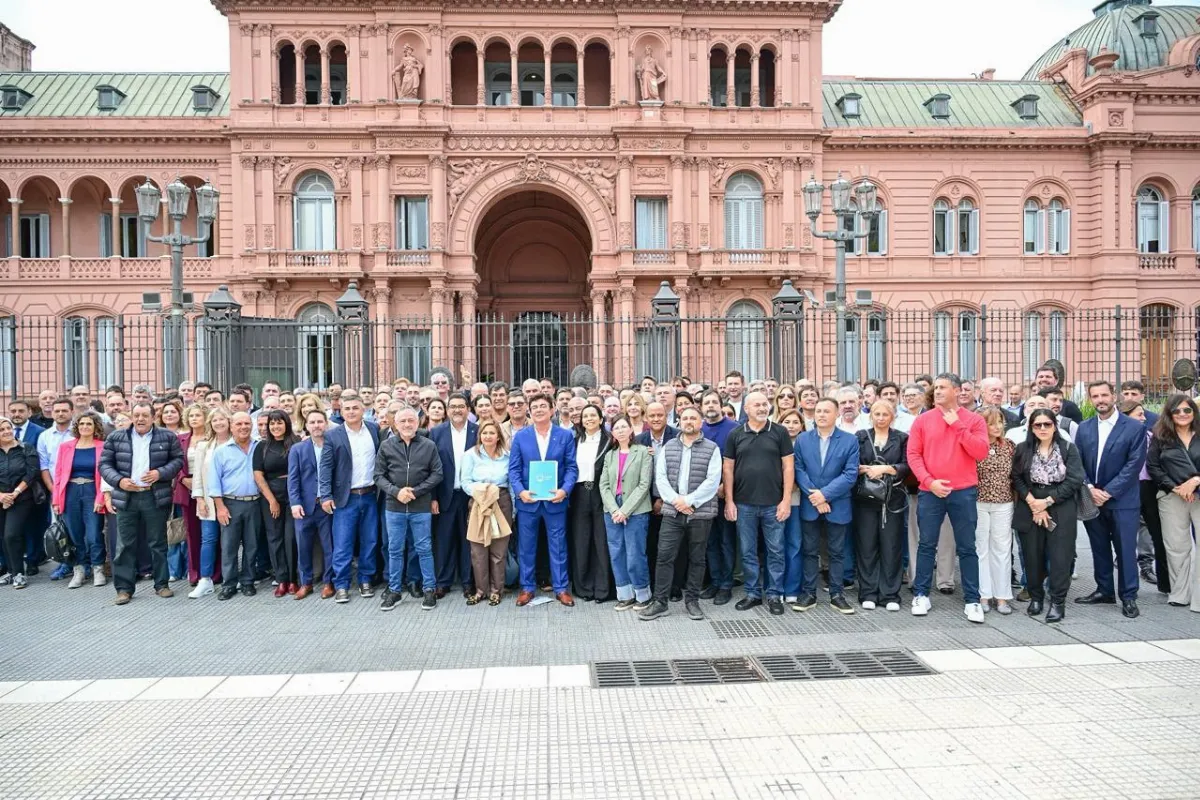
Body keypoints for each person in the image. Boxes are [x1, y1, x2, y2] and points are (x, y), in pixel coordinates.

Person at [906, 373, 989, 623]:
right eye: (936, 387)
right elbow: (913, 455)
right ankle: (921, 594)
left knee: (966, 547)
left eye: (943, 387)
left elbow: (981, 451)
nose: (938, 391)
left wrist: (957, 425)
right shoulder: (923, 421)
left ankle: (973, 600)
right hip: (931, 491)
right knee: (926, 545)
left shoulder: (973, 420)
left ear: (956, 390)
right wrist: (930, 482)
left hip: (963, 491)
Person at [100, 402, 185, 605]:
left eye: (145, 415)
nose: (140, 419)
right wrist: (119, 481)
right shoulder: (116, 437)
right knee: (124, 544)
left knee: (158, 542)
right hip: (126, 496)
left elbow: (178, 460)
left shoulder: (167, 436)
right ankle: (124, 589)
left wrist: (160, 473)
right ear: (131, 416)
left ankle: (162, 584)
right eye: (136, 415)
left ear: (153, 417)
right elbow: (104, 464)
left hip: (154, 496)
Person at [1074, 381, 1146, 619]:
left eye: (1104, 395)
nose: (1100, 400)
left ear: (1113, 396)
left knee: (1125, 549)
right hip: (1092, 498)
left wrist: (1109, 491)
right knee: (1099, 547)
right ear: (1090, 399)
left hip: (1123, 499)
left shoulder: (1133, 428)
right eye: (1095, 396)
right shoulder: (1084, 428)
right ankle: (1104, 590)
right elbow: (1078, 462)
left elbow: (1134, 465)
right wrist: (1090, 488)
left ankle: (1128, 596)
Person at [642, 406, 721, 621]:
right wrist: (676, 501)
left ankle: (692, 601)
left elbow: (712, 481)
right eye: (684, 418)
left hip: (700, 512)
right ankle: (660, 602)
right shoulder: (669, 446)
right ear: (679, 421)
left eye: (693, 418)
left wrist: (688, 501)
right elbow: (661, 478)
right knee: (664, 556)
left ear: (701, 421)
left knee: (697, 558)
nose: (689, 421)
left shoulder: (712, 448)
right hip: (672, 512)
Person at [723, 391, 794, 615]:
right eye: (757, 405)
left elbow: (788, 467)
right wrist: (729, 501)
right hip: (744, 504)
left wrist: (786, 501)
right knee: (747, 551)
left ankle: (774, 594)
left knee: (776, 550)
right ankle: (753, 593)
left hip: (774, 504)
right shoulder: (735, 434)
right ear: (746, 409)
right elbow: (728, 469)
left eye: (765, 404)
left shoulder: (780, 432)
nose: (762, 408)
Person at [1012, 409, 1085, 622]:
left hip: (1060, 504)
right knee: (1032, 554)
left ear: (1055, 426)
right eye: (1038, 425)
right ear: (1031, 428)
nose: (1043, 428)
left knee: (1061, 556)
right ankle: (1036, 597)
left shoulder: (1068, 449)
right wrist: (1033, 502)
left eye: (1047, 424)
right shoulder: (1023, 449)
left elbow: (1074, 479)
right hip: (1030, 504)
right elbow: (1016, 477)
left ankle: (1057, 601)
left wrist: (1047, 502)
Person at [508, 393, 578, 607]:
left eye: (543, 406)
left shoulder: (564, 436)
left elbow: (572, 468)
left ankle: (561, 588)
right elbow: (514, 469)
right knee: (526, 547)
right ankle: (527, 588)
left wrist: (564, 491)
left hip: (555, 501)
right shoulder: (521, 436)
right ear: (530, 411)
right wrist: (520, 491)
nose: (538, 410)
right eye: (534, 406)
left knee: (558, 545)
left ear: (552, 409)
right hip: (528, 501)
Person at [792, 398, 859, 614]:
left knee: (837, 552)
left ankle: (837, 594)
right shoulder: (803, 439)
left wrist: (825, 495)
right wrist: (815, 496)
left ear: (836, 413)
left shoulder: (849, 441)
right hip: (810, 504)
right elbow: (799, 469)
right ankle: (809, 593)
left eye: (826, 411)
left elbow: (850, 474)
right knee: (810, 551)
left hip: (836, 504)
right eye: (818, 411)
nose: (821, 414)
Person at [376, 407, 443, 611]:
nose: (407, 425)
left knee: (424, 549)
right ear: (395, 424)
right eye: (402, 421)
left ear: (417, 423)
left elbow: (437, 473)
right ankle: (395, 590)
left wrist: (415, 491)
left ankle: (429, 589)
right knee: (395, 549)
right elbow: (378, 475)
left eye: (410, 421)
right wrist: (396, 492)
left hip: (420, 506)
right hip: (394, 506)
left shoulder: (429, 445)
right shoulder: (386, 446)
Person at [318, 392, 381, 604]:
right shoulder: (333, 435)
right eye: (347, 409)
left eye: (355, 408)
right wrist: (325, 495)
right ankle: (342, 584)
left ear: (363, 409)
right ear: (341, 411)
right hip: (346, 498)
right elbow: (325, 468)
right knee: (343, 543)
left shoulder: (373, 430)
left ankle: (365, 579)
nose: (351, 412)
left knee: (370, 540)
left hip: (371, 495)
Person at [851, 400, 909, 612]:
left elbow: (907, 465)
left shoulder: (902, 438)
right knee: (866, 546)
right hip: (865, 499)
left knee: (891, 546)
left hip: (892, 499)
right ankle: (867, 592)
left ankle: (890, 594)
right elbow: (852, 464)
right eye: (877, 414)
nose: (881, 418)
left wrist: (886, 468)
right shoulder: (860, 436)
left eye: (885, 414)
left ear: (892, 416)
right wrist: (866, 470)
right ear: (871, 415)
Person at [1146, 394, 1200, 611]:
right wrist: (1175, 487)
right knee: (1176, 547)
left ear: (1194, 412)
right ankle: (1180, 593)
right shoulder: (1160, 437)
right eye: (1177, 411)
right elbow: (1153, 467)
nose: (1182, 414)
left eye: (1187, 410)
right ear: (1169, 414)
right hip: (1171, 496)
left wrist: (1195, 481)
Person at [598, 416, 652, 611]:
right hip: (612, 509)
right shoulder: (610, 455)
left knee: (635, 552)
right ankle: (625, 595)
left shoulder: (643, 452)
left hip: (636, 509)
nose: (620, 430)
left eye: (623, 427)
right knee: (617, 552)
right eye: (616, 428)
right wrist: (614, 509)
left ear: (631, 430)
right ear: (612, 433)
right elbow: (603, 485)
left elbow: (644, 484)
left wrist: (625, 510)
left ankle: (643, 595)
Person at [208, 412, 261, 601]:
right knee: (229, 546)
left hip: (255, 502)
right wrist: (220, 507)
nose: (243, 427)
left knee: (252, 544)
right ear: (231, 426)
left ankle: (248, 581)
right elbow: (213, 483)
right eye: (239, 423)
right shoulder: (221, 451)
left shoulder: (259, 447)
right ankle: (229, 584)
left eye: (247, 423)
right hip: (230, 503)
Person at [51, 410, 107, 588]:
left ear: (95, 426)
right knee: (74, 533)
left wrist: (101, 497)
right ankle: (79, 569)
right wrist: (56, 501)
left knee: (93, 534)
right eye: (81, 423)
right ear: (77, 426)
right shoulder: (66, 447)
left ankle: (98, 568)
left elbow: (105, 475)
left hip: (92, 490)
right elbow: (58, 475)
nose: (85, 427)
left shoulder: (102, 446)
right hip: (70, 492)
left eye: (89, 424)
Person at [429, 394, 478, 597]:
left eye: (461, 406)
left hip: (470, 496)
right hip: (444, 495)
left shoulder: (477, 431)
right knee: (444, 540)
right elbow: (429, 467)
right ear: (447, 410)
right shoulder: (436, 433)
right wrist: (432, 497)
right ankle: (443, 581)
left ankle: (468, 582)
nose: (457, 410)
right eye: (453, 407)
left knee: (469, 540)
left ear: (468, 409)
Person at [460, 419, 511, 607]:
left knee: (498, 550)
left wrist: (513, 510)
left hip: (502, 502)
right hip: (479, 503)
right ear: (479, 435)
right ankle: (481, 590)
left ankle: (496, 591)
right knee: (478, 550)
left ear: (498, 436)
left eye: (491, 433)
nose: (488, 436)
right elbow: (465, 482)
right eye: (484, 433)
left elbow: (511, 483)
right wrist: (481, 490)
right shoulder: (470, 455)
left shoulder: (507, 455)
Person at [974, 407, 1016, 615]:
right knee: (981, 549)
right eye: (991, 423)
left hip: (1004, 502)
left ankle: (1002, 596)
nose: (997, 426)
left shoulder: (1010, 447)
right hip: (978, 501)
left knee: (1001, 548)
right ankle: (983, 594)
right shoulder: (974, 447)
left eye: (1000, 421)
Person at [254, 410, 300, 597]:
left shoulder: (296, 442)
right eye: (272, 424)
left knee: (291, 537)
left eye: (279, 423)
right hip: (271, 496)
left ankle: (293, 579)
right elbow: (258, 474)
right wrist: (272, 500)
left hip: (294, 495)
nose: (275, 427)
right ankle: (281, 579)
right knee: (274, 538)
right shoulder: (262, 447)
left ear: (286, 424)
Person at [288, 409, 332, 600]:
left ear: (326, 424)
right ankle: (306, 583)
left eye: (320, 422)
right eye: (312, 422)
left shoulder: (333, 446)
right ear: (306, 426)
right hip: (305, 506)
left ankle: (329, 582)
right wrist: (295, 503)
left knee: (330, 546)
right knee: (303, 547)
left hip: (327, 506)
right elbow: (293, 479)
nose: (316, 425)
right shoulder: (298, 449)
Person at [570, 404, 613, 602]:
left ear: (601, 419)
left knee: (601, 540)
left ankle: (603, 589)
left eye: (592, 415)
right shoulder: (575, 440)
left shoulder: (609, 441)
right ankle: (584, 588)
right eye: (585, 416)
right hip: (579, 493)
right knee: (581, 540)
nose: (588, 419)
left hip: (600, 492)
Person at [187, 408, 230, 598]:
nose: (219, 423)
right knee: (208, 539)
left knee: (231, 541)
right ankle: (205, 580)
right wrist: (199, 499)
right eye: (215, 421)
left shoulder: (236, 443)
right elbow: (197, 477)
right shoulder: (204, 446)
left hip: (232, 500)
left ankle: (231, 578)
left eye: (222, 419)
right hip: (208, 502)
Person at [0, 416, 39, 589]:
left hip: (22, 498)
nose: (7, 431)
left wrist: (14, 493)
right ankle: (9, 570)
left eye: (8, 428)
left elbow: (31, 473)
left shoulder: (25, 448)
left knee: (11, 534)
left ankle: (18, 573)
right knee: (2, 536)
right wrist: (1, 496)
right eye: (2, 430)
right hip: (0, 498)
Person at [776, 410, 805, 605]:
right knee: (776, 546)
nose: (792, 425)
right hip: (774, 499)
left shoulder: (805, 444)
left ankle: (792, 588)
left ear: (802, 426)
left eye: (796, 422)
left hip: (797, 501)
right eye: (787, 421)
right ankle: (775, 587)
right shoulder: (774, 441)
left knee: (794, 545)